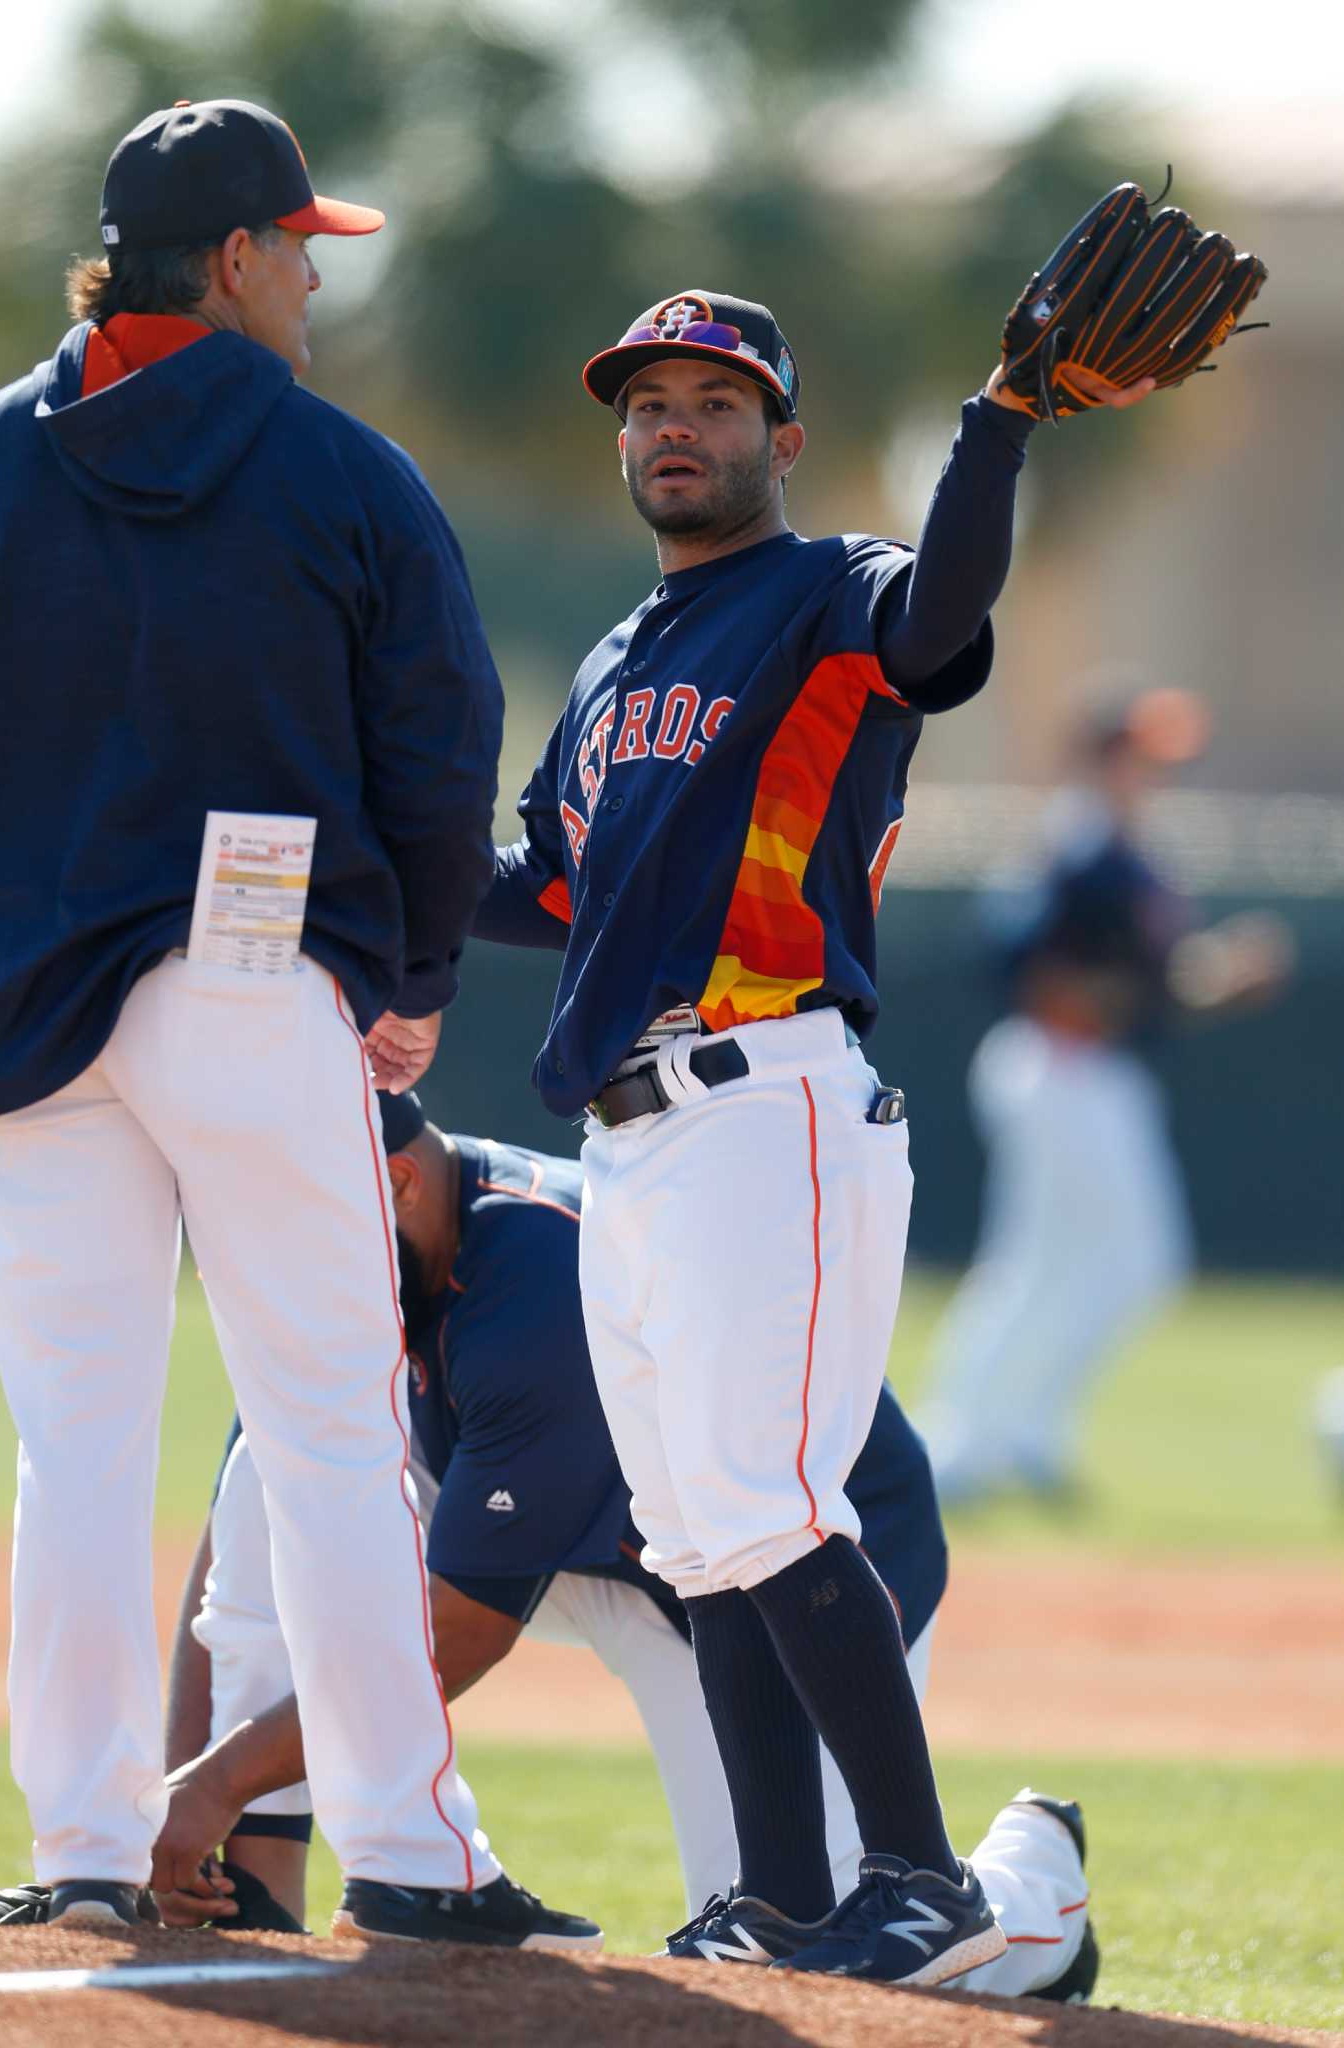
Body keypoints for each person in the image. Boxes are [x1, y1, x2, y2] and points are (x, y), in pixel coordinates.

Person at [0, 96, 595, 1951]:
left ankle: (79, 1842)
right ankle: (405, 1840)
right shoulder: (341, 473)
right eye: (300, 249)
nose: (315, 279)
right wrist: (407, 989)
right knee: (328, 1417)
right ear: (233, 260)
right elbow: (437, 741)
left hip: (21, 1012)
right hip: (249, 980)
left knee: (70, 1440)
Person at [470, 288, 1156, 1983]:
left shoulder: (829, 594)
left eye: (715, 399)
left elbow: (942, 618)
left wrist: (999, 419)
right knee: (697, 1532)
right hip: (632, 1130)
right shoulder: (620, 660)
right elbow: (555, 887)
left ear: (780, 436)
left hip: (768, 1098)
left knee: (771, 1502)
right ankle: (778, 1887)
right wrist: (356, 859)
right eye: (647, 403)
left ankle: (922, 1875)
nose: (673, 427)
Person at [144, 1093, 1094, 2002]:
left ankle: (1035, 1886)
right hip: (603, 1542)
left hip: (789, 1578)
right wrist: (189, 1797)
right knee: (283, 1476)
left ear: (394, 1182)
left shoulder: (535, 1286)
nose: (281, 1268)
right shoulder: (377, 1255)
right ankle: (276, 1883)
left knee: (832, 1932)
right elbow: (251, 1531)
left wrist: (220, 1779)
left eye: (293, 1233)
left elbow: (459, 1631)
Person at [916, 685, 1293, 1507]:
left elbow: (1154, 990)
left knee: (1113, 1263)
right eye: (1137, 753)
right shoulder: (1080, 844)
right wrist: (1103, 996)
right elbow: (1010, 957)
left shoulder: (1128, 850)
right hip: (1058, 1065)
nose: (1152, 771)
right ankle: (962, 1442)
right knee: (1058, 1258)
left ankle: (1016, 1437)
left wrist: (1219, 977)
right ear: (1099, 756)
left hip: (1099, 1072)